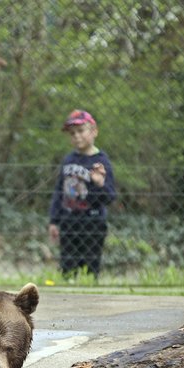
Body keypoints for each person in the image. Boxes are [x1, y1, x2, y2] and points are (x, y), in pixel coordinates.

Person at [48, 109, 117, 277]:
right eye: (72, 133)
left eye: (80, 131)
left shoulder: (101, 161)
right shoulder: (68, 160)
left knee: (90, 268)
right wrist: (53, 221)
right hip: (69, 221)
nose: (76, 136)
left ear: (94, 131)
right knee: (67, 267)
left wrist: (99, 184)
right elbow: (59, 191)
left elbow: (109, 197)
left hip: (92, 222)